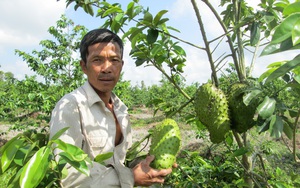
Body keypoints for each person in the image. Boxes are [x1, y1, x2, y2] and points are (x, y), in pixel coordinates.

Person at [49, 28, 173, 187]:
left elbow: (119, 161)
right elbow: (66, 172)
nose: (107, 68)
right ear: (84, 67)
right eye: (97, 60)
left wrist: (148, 164)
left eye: (114, 60)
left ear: (121, 65)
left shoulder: (121, 109)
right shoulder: (70, 106)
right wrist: (131, 178)